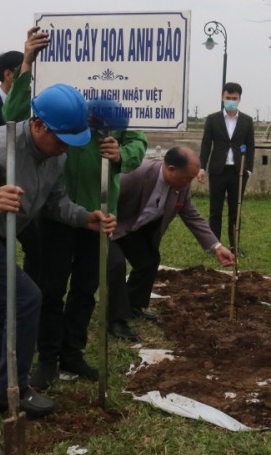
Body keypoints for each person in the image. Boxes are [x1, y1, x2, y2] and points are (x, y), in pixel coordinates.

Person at [0, 83, 116, 418]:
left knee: (6, 311)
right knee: (26, 298)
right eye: (61, 140)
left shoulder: (53, 158)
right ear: (37, 124)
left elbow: (53, 202)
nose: (64, 149)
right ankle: (11, 388)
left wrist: (84, 218)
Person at [1, 27, 148, 388]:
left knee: (85, 288)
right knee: (49, 288)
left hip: (99, 216)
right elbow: (14, 113)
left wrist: (121, 155)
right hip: (54, 213)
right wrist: (28, 62)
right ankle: (47, 359)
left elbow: (139, 142)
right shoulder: (64, 105)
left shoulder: (112, 110)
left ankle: (73, 353)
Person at [108, 147, 236, 341]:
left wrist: (216, 246)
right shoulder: (136, 174)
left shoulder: (181, 187)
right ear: (171, 168)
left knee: (148, 260)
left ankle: (133, 304)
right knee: (116, 264)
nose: (188, 183)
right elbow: (107, 198)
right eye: (187, 178)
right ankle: (116, 320)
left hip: (134, 228)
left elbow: (191, 215)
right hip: (110, 225)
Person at [198, 83, 255, 256]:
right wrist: (202, 167)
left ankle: (234, 246)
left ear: (239, 99)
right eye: (228, 98)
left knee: (235, 211)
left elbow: (251, 146)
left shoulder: (247, 121)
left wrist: (249, 170)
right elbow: (206, 144)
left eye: (234, 98)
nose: (231, 101)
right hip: (217, 170)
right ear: (223, 97)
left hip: (238, 172)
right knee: (215, 210)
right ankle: (214, 246)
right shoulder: (213, 119)